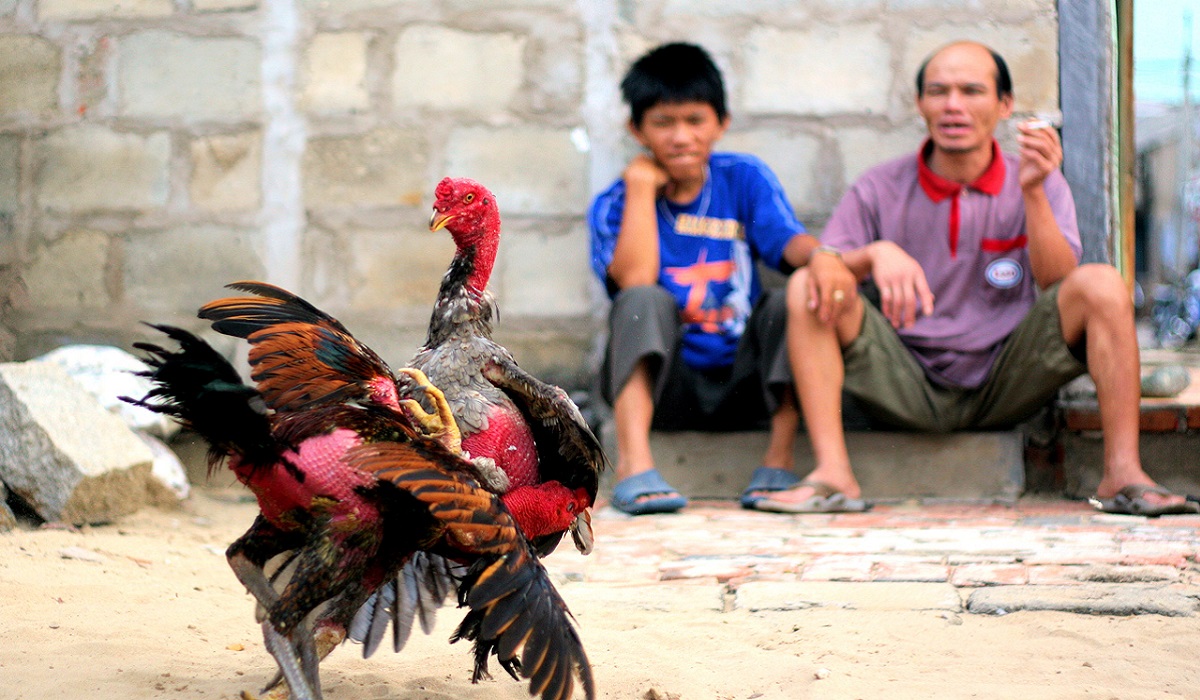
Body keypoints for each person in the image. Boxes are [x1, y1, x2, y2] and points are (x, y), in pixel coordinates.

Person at [757, 40, 1199, 516]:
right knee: (807, 287)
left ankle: (1123, 474)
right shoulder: (879, 186)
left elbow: (1058, 282)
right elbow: (826, 265)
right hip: (903, 378)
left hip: (1006, 377)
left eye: (971, 91)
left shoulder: (1039, 177)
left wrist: (1032, 192)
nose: (953, 105)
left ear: (1004, 105)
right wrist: (873, 255)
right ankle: (833, 474)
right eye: (938, 91)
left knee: (1102, 282)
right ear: (919, 103)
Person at [587, 42, 857, 516]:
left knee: (782, 301)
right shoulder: (616, 202)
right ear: (637, 130)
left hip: (745, 378)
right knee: (641, 300)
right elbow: (635, 279)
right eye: (663, 123)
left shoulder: (742, 178)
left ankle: (779, 458)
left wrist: (823, 256)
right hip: (669, 385)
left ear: (721, 122)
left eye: (695, 120)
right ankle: (634, 466)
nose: (681, 137)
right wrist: (641, 189)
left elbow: (784, 241)